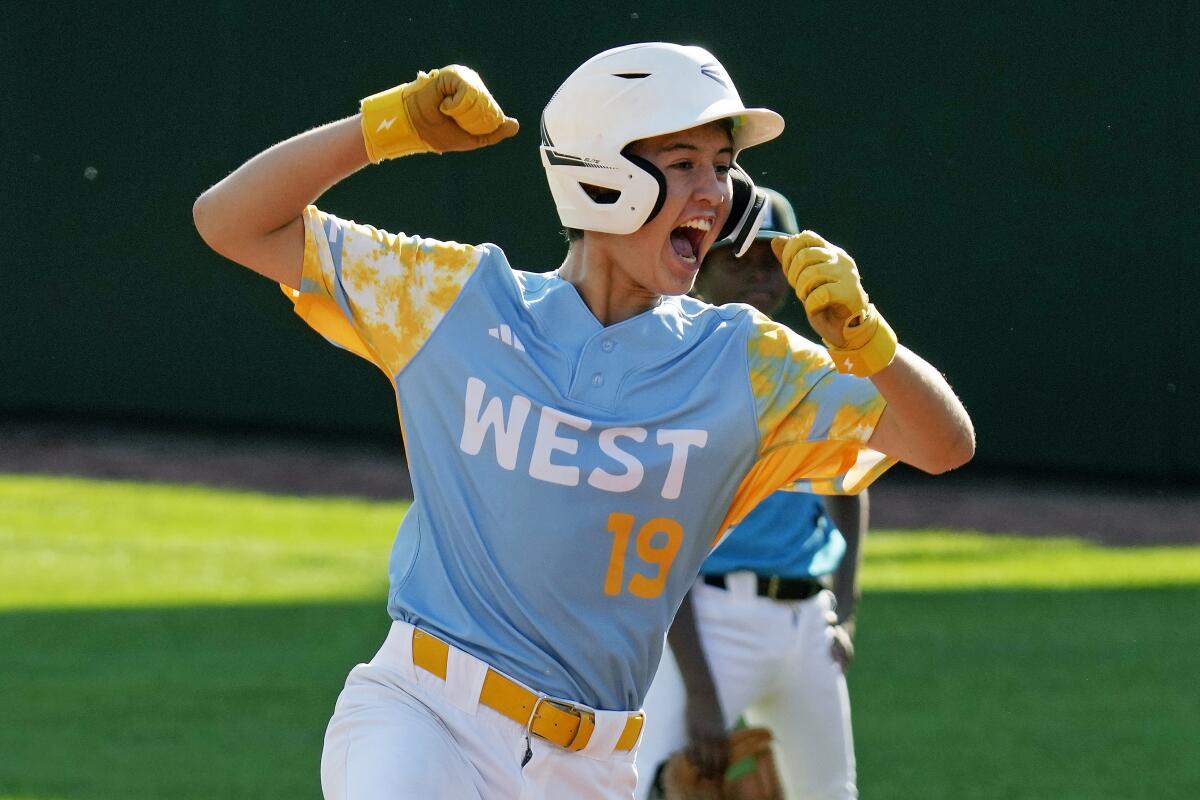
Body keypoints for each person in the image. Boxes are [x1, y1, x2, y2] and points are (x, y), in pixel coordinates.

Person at [192, 42, 973, 800]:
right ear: (602, 175)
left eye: (724, 166)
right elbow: (230, 220)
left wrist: (872, 344)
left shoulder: (746, 362)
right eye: (683, 164)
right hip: (422, 715)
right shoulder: (458, 301)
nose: (718, 193)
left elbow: (942, 445)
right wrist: (383, 129)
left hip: (592, 766)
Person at [635, 189, 869, 800]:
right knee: (631, 786)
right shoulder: (671, 376)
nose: (761, 272)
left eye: (774, 259)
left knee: (831, 793)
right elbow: (659, 540)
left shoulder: (815, 372)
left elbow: (851, 483)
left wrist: (844, 609)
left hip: (805, 622)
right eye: (741, 257)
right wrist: (703, 695)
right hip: (706, 619)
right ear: (703, 267)